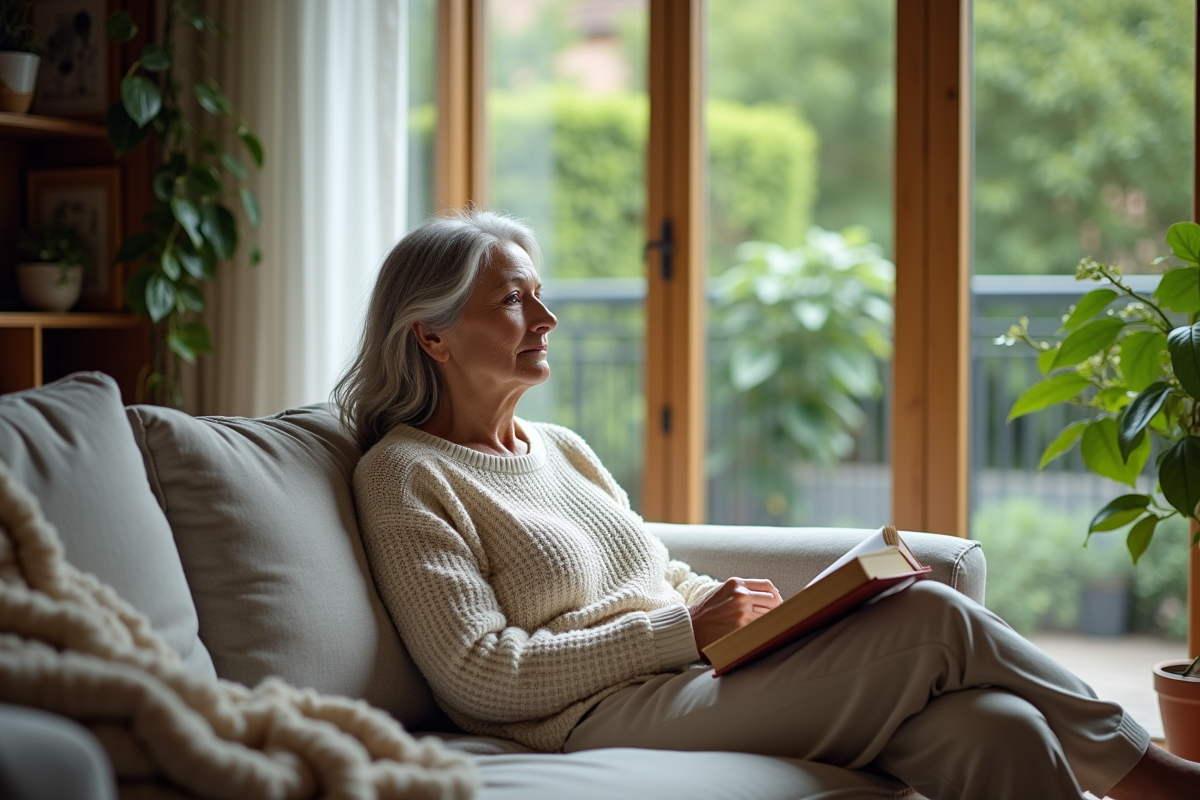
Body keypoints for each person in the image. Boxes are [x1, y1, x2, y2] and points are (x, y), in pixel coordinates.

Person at [334, 209, 1200, 800]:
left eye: (540, 292)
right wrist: (682, 632)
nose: (548, 316)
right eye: (514, 298)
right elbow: (480, 673)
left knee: (997, 728)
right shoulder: (405, 473)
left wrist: (759, 618)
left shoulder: (560, 448)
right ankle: (1162, 781)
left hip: (697, 676)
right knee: (937, 618)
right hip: (586, 719)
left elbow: (654, 567)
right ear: (433, 334)